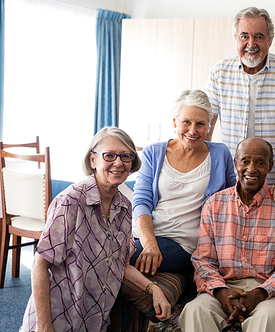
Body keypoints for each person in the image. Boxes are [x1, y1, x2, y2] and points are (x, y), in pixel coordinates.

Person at [20, 127, 170, 331]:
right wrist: (44, 326)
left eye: (126, 156)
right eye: (109, 155)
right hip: (57, 317)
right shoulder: (71, 201)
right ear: (93, 160)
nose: (118, 163)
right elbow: (40, 264)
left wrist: (154, 290)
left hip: (94, 320)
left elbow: (121, 264)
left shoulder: (125, 208)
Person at [179, 137, 275, 332]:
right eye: (245, 161)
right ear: (236, 163)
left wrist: (261, 292)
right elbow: (203, 260)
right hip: (223, 285)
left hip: (266, 290)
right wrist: (220, 292)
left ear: (270, 166)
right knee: (195, 310)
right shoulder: (214, 204)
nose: (251, 169)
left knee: (268, 318)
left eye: (260, 163)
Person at [131, 89, 236, 276]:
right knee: (105, 251)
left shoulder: (221, 154)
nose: (193, 131)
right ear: (175, 122)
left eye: (200, 124)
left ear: (209, 127)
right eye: (186, 122)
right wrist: (149, 245)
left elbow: (234, 202)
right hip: (145, 237)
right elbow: (141, 202)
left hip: (185, 245)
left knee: (109, 257)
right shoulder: (153, 153)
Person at [205, 6, 275, 186]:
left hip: (273, 182)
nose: (251, 44)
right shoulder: (219, 72)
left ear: (270, 40)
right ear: (235, 39)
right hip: (229, 181)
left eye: (259, 37)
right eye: (244, 36)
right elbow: (206, 128)